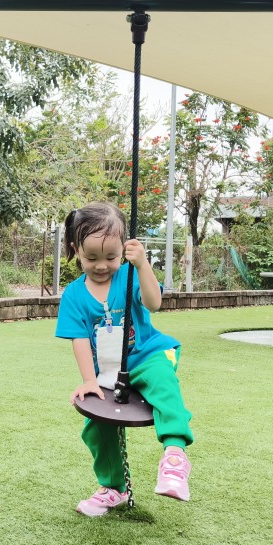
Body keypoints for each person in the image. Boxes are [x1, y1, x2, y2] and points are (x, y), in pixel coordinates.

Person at [55, 202, 194, 516]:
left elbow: (154, 303)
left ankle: (174, 456)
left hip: (148, 355)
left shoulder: (130, 275)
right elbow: (79, 340)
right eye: (91, 258)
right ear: (76, 250)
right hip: (108, 370)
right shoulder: (74, 295)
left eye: (111, 257)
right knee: (96, 423)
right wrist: (89, 381)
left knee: (163, 382)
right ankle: (113, 488)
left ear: (123, 250)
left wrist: (142, 265)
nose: (101, 266)